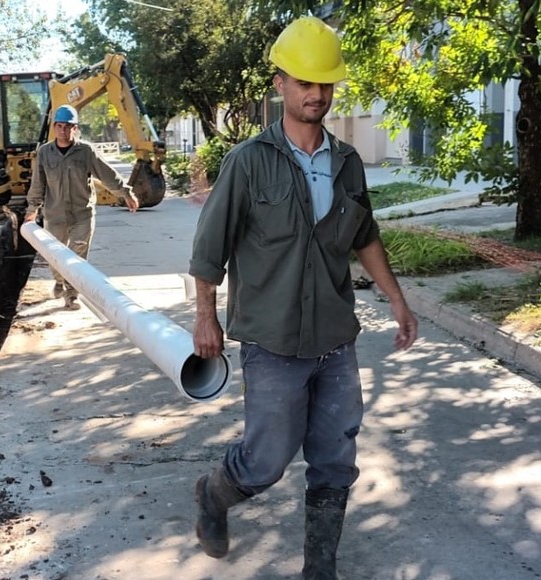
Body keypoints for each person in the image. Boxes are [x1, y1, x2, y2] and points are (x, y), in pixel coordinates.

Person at [188, 16, 418, 579]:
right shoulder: (247, 162)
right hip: (272, 342)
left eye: (325, 83)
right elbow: (208, 250)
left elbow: (363, 236)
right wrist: (205, 318)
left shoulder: (347, 163)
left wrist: (397, 299)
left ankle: (320, 569)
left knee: (336, 460)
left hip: (336, 340)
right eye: (305, 82)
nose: (317, 94)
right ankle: (213, 495)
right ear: (280, 85)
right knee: (265, 462)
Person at [25, 104, 139, 310]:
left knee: (77, 255)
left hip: (82, 213)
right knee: (56, 256)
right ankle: (59, 281)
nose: (63, 130)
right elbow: (38, 183)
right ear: (54, 127)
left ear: (75, 128)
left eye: (68, 126)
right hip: (55, 214)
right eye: (59, 126)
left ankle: (71, 294)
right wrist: (32, 208)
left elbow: (106, 173)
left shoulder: (85, 151)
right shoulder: (44, 153)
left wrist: (125, 192)